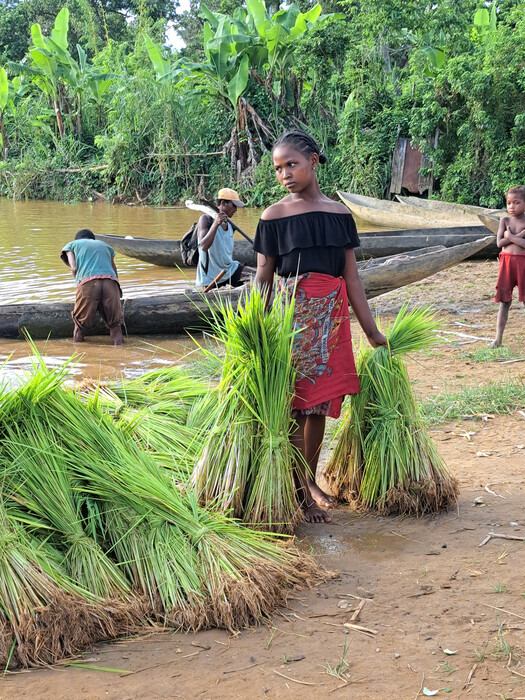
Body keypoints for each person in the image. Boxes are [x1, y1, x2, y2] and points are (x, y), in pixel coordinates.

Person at [253, 130, 387, 524]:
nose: (285, 175)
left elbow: (352, 278)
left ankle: (308, 480)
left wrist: (371, 329)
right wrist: (256, 332)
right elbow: (263, 279)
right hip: (292, 319)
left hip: (331, 317)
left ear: (313, 160)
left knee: (320, 406)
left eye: (291, 164)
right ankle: (299, 490)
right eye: (278, 169)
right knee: (295, 405)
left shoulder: (340, 215)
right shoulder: (273, 217)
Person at [61, 229, 124, 346]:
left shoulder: (71, 245)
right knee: (115, 326)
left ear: (78, 239)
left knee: (79, 327)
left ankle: (79, 355)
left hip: (88, 284)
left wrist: (79, 286)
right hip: (111, 283)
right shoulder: (106, 246)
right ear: (93, 240)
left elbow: (74, 268)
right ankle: (119, 351)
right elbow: (114, 270)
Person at [196, 188, 255, 289]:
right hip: (212, 276)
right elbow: (203, 246)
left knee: (259, 276)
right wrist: (216, 224)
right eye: (234, 205)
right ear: (223, 203)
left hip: (229, 269)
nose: (236, 209)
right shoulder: (206, 219)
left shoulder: (230, 224)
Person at [491, 185, 525, 347]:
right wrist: (518, 236)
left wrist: (510, 236)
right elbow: (499, 243)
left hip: (523, 263)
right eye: (509, 203)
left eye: (516, 203)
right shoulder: (504, 221)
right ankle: (498, 339)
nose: (511, 206)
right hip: (506, 263)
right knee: (504, 302)